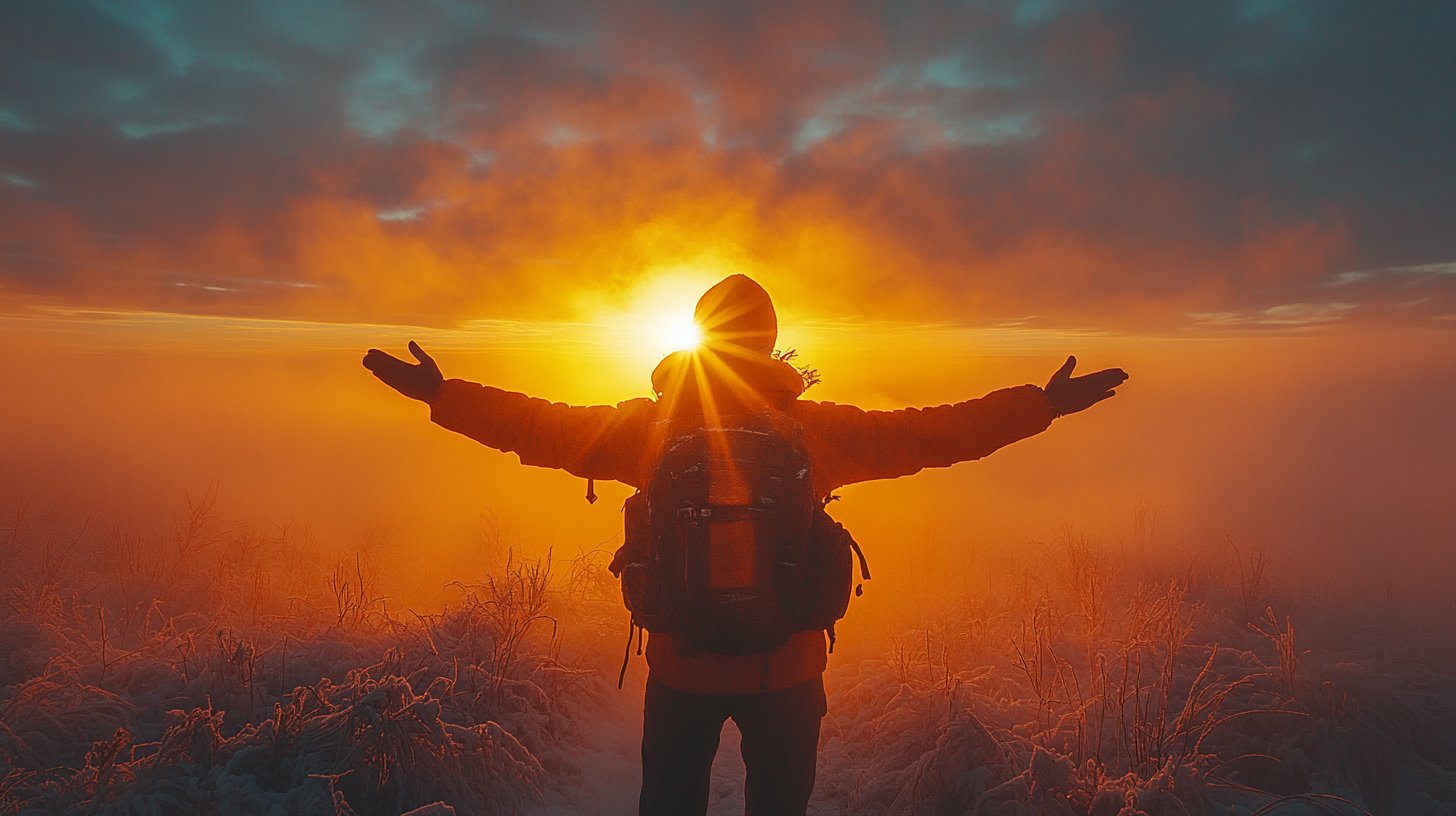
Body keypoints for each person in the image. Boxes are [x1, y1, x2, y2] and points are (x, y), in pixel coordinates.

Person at [363, 274, 1127, 816]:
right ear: (767, 344)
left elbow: (537, 425)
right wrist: (1041, 406)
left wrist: (443, 394)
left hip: (681, 666)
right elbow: (934, 432)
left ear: (699, 338)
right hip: (785, 671)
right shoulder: (813, 433)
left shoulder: (648, 430)